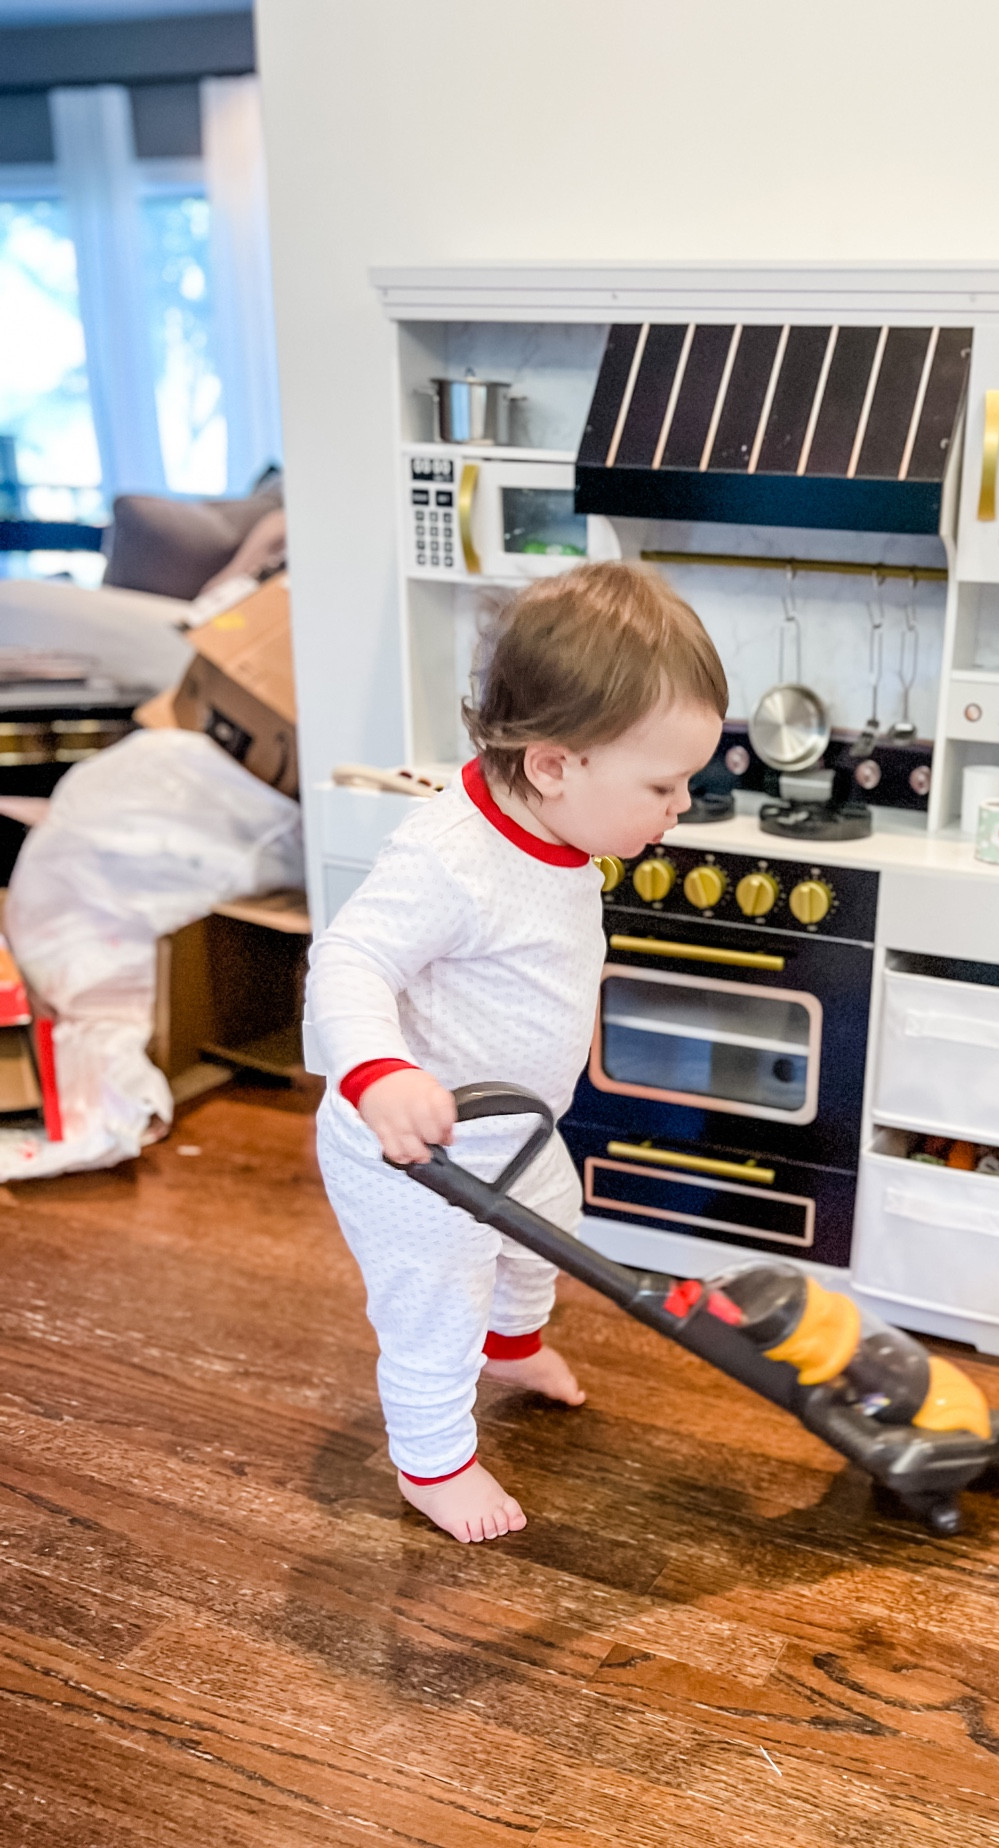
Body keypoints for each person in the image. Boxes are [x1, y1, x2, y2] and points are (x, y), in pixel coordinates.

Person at [305, 563, 726, 1543]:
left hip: (513, 1131)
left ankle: (514, 1345)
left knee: (546, 1237)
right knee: (437, 1307)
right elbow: (350, 961)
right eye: (662, 785)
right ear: (552, 766)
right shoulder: (449, 858)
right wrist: (381, 1074)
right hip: (413, 1154)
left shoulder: (557, 826)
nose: (682, 805)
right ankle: (433, 1463)